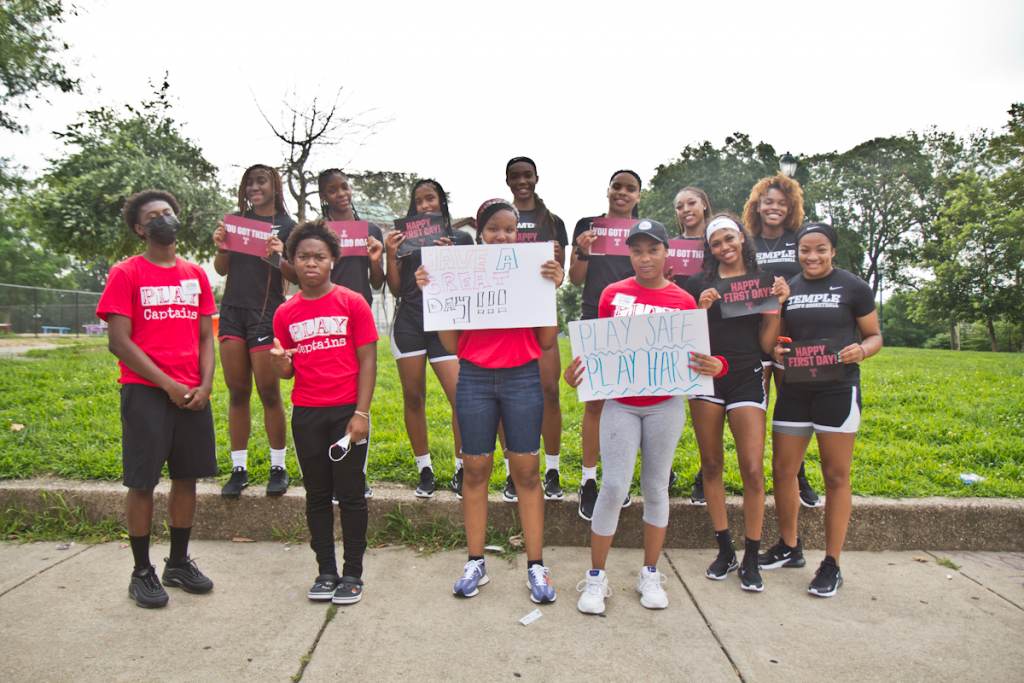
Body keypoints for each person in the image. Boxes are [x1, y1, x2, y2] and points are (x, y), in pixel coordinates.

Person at [566, 219, 725, 615]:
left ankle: (650, 571)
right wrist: (576, 373)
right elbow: (596, 350)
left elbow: (703, 356)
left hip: (665, 405)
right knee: (614, 487)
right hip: (621, 404)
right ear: (629, 254)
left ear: (666, 253)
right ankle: (596, 577)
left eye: (653, 249)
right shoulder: (611, 294)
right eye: (637, 250)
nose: (645, 257)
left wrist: (715, 366)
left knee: (656, 488)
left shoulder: (682, 301)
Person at [415, 199, 563, 603]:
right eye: (494, 229)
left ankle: (536, 565)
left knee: (527, 472)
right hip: (476, 378)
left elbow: (547, 340)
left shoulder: (533, 271)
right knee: (475, 469)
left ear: (520, 233)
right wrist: (436, 290)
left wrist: (549, 285)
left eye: (510, 230)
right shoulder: (463, 273)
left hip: (522, 377)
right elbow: (451, 344)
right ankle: (475, 561)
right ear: (480, 232)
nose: (502, 236)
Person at [97, 189, 217, 608]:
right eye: (153, 215)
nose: (163, 219)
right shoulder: (127, 273)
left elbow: (206, 337)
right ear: (139, 228)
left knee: (187, 478)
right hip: (147, 392)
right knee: (143, 482)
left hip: (192, 394)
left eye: (168, 212)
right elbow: (119, 342)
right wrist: (167, 384)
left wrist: (205, 384)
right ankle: (142, 570)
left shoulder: (196, 275)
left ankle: (178, 562)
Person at [760, 223, 882, 597]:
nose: (812, 256)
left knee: (836, 476)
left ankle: (831, 563)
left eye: (820, 249)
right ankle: (789, 545)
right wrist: (777, 349)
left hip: (837, 391)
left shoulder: (854, 287)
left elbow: (875, 335)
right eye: (805, 250)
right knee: (784, 470)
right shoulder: (788, 288)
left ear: (833, 251)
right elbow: (773, 341)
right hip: (795, 391)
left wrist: (861, 350)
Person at [270, 220, 378, 605]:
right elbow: (286, 371)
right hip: (308, 415)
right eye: (303, 257)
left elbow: (368, 360)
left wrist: (361, 413)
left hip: (346, 414)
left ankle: (352, 573)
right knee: (316, 495)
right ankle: (325, 571)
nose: (311, 263)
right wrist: (281, 361)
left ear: (333, 259)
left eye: (319, 256)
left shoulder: (352, 302)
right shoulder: (285, 313)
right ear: (292, 261)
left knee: (350, 495)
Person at [685, 214, 789, 592]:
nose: (725, 247)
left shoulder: (763, 282)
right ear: (709, 249)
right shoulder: (700, 284)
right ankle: (724, 547)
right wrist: (700, 307)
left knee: (751, 469)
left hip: (746, 374)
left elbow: (766, 345)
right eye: (716, 243)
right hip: (706, 376)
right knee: (711, 464)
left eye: (730, 239)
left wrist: (776, 306)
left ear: (742, 238)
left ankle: (750, 555)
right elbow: (688, 338)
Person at [384, 179, 473, 498]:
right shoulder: (403, 240)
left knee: (460, 397)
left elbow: (468, 284)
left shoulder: (460, 239)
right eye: (419, 201)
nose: (425, 206)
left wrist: (451, 259)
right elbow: (395, 289)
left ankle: (461, 467)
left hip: (445, 322)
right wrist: (391, 255)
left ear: (441, 202)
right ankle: (424, 468)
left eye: (430, 199)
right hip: (409, 320)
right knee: (413, 397)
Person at [212, 164, 296, 498]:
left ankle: (279, 466)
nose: (253, 187)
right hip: (232, 312)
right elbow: (222, 269)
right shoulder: (236, 222)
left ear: (275, 185)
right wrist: (221, 247)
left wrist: (278, 256)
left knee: (269, 392)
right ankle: (239, 468)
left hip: (266, 314)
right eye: (249, 183)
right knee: (237, 391)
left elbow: (295, 275)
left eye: (260, 181)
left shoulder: (289, 227)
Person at [742, 174, 822, 508]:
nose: (774, 207)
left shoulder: (799, 240)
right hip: (754, 331)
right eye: (768, 201)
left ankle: (797, 472)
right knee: (753, 406)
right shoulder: (747, 242)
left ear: (790, 208)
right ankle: (746, 472)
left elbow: (815, 275)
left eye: (781, 203)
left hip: (794, 330)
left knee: (790, 405)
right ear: (757, 206)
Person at [568, 170, 641, 520]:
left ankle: (618, 479)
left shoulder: (645, 230)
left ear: (638, 196)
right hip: (595, 319)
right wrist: (582, 252)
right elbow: (575, 278)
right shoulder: (588, 225)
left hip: (636, 322)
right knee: (595, 404)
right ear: (608, 190)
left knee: (628, 404)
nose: (622, 193)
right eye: (618, 186)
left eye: (630, 188)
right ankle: (588, 480)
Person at [501, 156, 570, 503]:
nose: (522, 181)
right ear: (508, 180)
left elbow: (560, 278)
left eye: (527, 175)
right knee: (503, 394)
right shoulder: (500, 216)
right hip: (503, 316)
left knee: (549, 392)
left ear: (537, 178)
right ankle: (513, 472)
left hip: (540, 313)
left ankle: (553, 468)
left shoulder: (553, 222)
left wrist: (557, 263)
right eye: (516, 176)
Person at [318, 168, 385, 498]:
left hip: (360, 316)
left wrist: (376, 258)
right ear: (324, 196)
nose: (341, 193)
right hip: (326, 317)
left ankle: (356, 474)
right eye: (333, 190)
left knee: (360, 392)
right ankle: (330, 471)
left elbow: (377, 282)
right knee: (330, 388)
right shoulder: (318, 231)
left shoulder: (370, 230)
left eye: (344, 186)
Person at [669, 186, 714, 504]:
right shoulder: (667, 246)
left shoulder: (718, 243)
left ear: (705, 206)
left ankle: (705, 472)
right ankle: (664, 470)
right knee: (662, 402)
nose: (686, 209)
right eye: (679, 205)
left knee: (705, 405)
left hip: (712, 328)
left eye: (691, 203)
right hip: (672, 328)